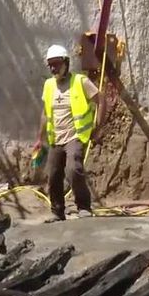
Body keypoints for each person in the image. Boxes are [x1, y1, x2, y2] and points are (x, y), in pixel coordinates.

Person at [33, 44, 105, 222]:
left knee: (73, 169)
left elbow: (101, 101)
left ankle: (84, 207)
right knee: (53, 174)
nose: (53, 68)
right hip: (55, 138)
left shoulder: (80, 82)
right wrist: (39, 138)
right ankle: (57, 211)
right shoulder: (49, 85)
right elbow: (45, 113)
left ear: (66, 63)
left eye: (56, 64)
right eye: (50, 64)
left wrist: (98, 128)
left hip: (75, 136)